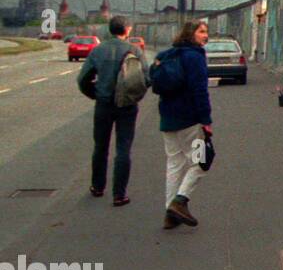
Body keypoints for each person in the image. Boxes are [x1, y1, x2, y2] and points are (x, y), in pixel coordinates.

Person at [77, 15, 145, 206]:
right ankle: (119, 194)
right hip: (127, 106)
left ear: (110, 30)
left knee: (100, 147)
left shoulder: (98, 50)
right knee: (123, 148)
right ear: (127, 29)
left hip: (103, 104)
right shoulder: (135, 50)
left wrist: (95, 94)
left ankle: (98, 187)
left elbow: (83, 79)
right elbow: (146, 78)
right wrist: (134, 96)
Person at [154, 19, 213, 229]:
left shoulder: (166, 55)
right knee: (201, 162)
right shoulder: (195, 57)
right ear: (191, 34)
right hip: (190, 120)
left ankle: (169, 214)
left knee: (174, 164)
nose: (205, 36)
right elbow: (200, 91)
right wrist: (206, 120)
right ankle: (180, 201)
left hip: (168, 119)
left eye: (206, 32)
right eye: (202, 32)